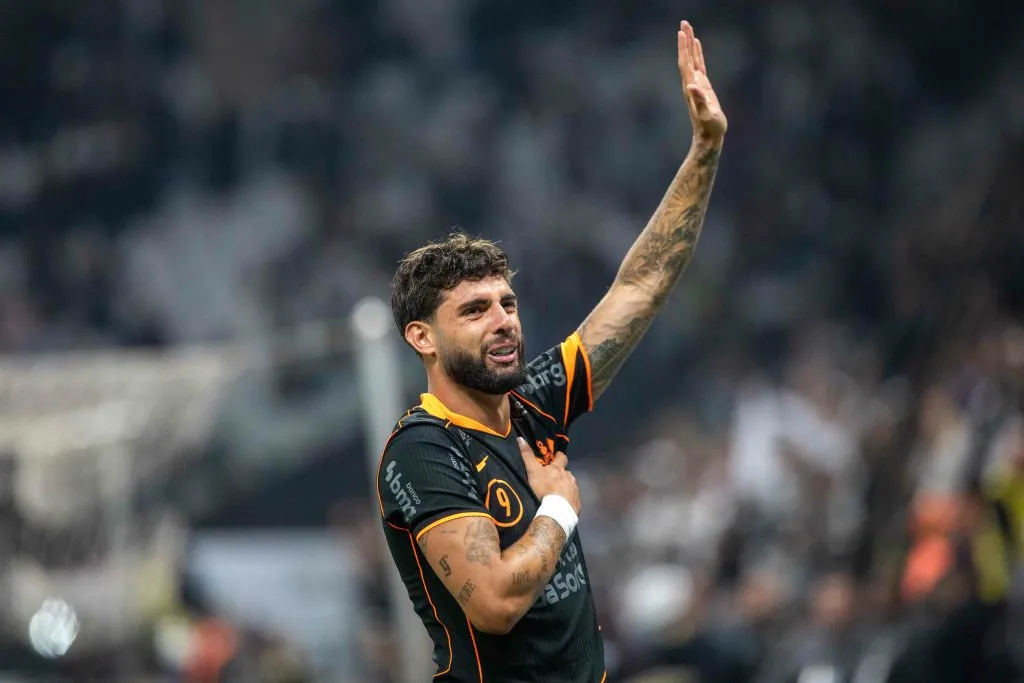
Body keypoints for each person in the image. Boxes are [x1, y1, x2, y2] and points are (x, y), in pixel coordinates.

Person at [375, 21, 727, 683]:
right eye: (474, 310)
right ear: (422, 336)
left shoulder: (531, 405)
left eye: (507, 303)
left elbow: (641, 286)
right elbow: (497, 601)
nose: (503, 320)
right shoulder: (423, 450)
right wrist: (559, 505)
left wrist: (704, 149)